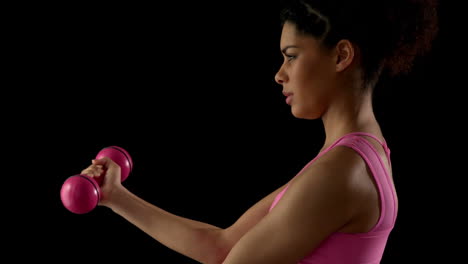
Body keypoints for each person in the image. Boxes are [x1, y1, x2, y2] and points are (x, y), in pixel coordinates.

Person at [81, 0, 438, 263]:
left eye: (292, 55)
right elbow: (223, 246)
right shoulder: (358, 154)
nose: (279, 74)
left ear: (341, 56)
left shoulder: (343, 171)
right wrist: (116, 196)